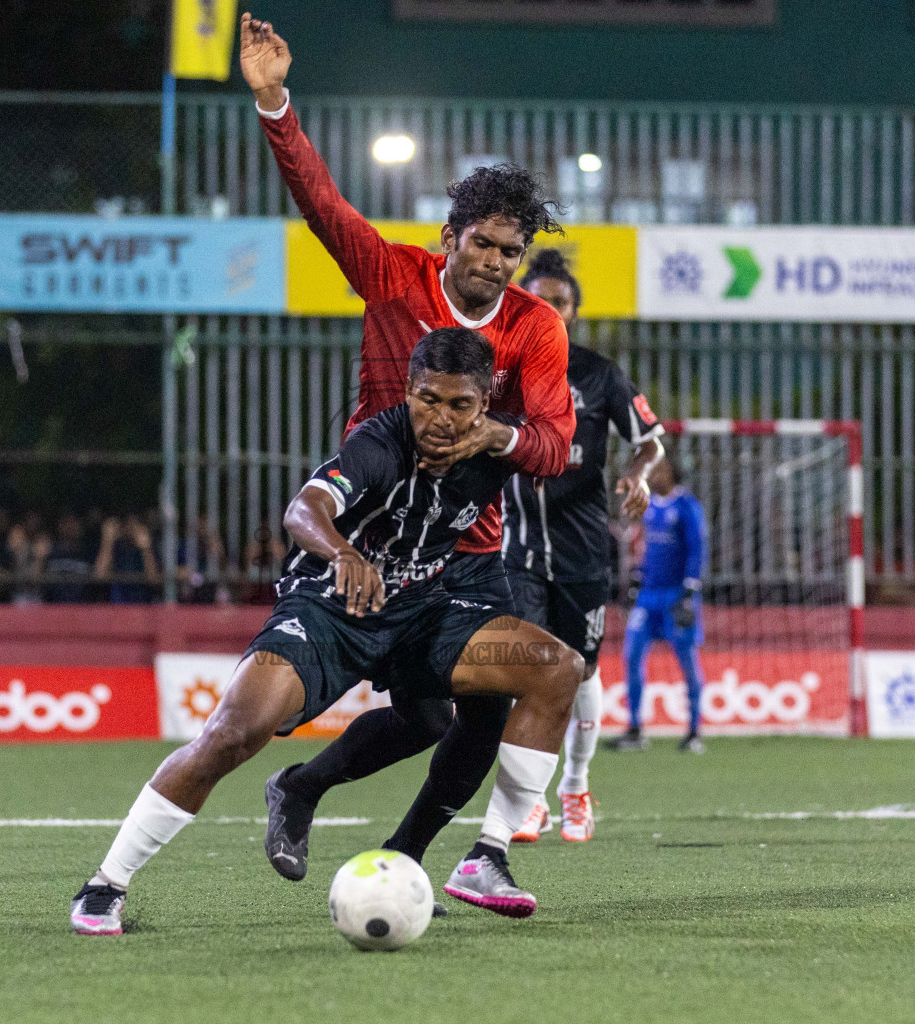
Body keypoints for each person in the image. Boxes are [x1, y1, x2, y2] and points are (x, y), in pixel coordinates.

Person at [69, 331, 582, 935]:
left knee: (554, 669)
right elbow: (302, 510)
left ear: (483, 406)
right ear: (409, 390)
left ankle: (488, 853)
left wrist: (519, 440)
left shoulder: (499, 447)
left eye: (459, 405)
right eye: (426, 399)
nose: (439, 419)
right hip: (332, 606)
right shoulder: (377, 443)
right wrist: (341, 553)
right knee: (235, 730)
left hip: (426, 611)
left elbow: (556, 449)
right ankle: (106, 884)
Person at [240, 13, 577, 883]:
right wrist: (276, 103)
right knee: (426, 719)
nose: (500, 262)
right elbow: (323, 204)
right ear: (449, 238)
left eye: (513, 250)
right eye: (485, 244)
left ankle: (421, 859)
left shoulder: (537, 329)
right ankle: (302, 788)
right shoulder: (393, 275)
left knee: (484, 707)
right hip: (376, 523)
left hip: (467, 543)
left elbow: (549, 448)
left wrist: (492, 430)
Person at [502, 250, 663, 844]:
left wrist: (639, 473)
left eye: (560, 302)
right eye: (538, 299)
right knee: (528, 672)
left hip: (582, 548)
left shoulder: (598, 374)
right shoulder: (501, 370)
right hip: (514, 549)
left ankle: (576, 785)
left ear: (574, 312)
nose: (549, 310)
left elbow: (650, 441)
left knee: (584, 667)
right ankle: (532, 799)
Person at [616, 455, 709, 753]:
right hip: (648, 596)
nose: (654, 474)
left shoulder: (687, 507)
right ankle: (634, 729)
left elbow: (697, 549)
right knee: (631, 656)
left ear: (671, 471)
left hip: (677, 596)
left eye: (658, 468)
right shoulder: (649, 506)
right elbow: (643, 548)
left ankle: (694, 731)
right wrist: (635, 581)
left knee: (687, 661)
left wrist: (690, 591)